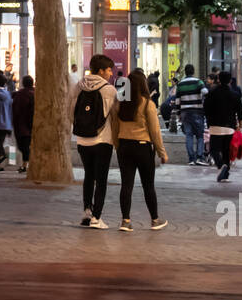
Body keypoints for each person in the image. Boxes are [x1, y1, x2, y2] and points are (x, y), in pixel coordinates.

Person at [112, 67, 169, 232]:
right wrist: (162, 153)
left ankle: (125, 221)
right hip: (143, 148)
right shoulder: (147, 104)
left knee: (126, 185)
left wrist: (117, 145)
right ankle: (155, 220)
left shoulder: (121, 103)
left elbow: (114, 126)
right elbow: (155, 131)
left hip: (124, 146)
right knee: (148, 186)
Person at [69, 54, 118, 228]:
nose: (111, 73)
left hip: (82, 140)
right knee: (101, 179)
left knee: (89, 175)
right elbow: (115, 116)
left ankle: (87, 212)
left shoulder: (78, 87)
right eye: (109, 69)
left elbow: (71, 111)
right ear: (101, 70)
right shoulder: (110, 90)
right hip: (102, 139)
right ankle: (97, 217)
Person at [204, 70, 242, 182]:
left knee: (213, 149)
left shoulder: (212, 93)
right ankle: (225, 174)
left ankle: (221, 166)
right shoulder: (235, 95)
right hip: (229, 127)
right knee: (226, 151)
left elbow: (206, 108)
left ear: (218, 80)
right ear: (230, 80)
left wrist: (208, 121)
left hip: (215, 126)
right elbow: (240, 111)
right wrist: (240, 125)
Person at [175, 64, 210, 166]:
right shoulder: (198, 82)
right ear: (193, 71)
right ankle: (199, 157)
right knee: (200, 135)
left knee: (189, 136)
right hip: (197, 111)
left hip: (185, 113)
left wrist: (179, 114)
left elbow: (177, 101)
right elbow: (205, 91)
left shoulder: (180, 84)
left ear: (185, 72)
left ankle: (191, 159)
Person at [11, 75, 35, 175]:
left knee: (23, 146)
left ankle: (25, 165)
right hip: (32, 125)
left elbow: (15, 110)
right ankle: (26, 164)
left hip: (22, 126)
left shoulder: (20, 94)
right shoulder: (35, 93)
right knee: (26, 147)